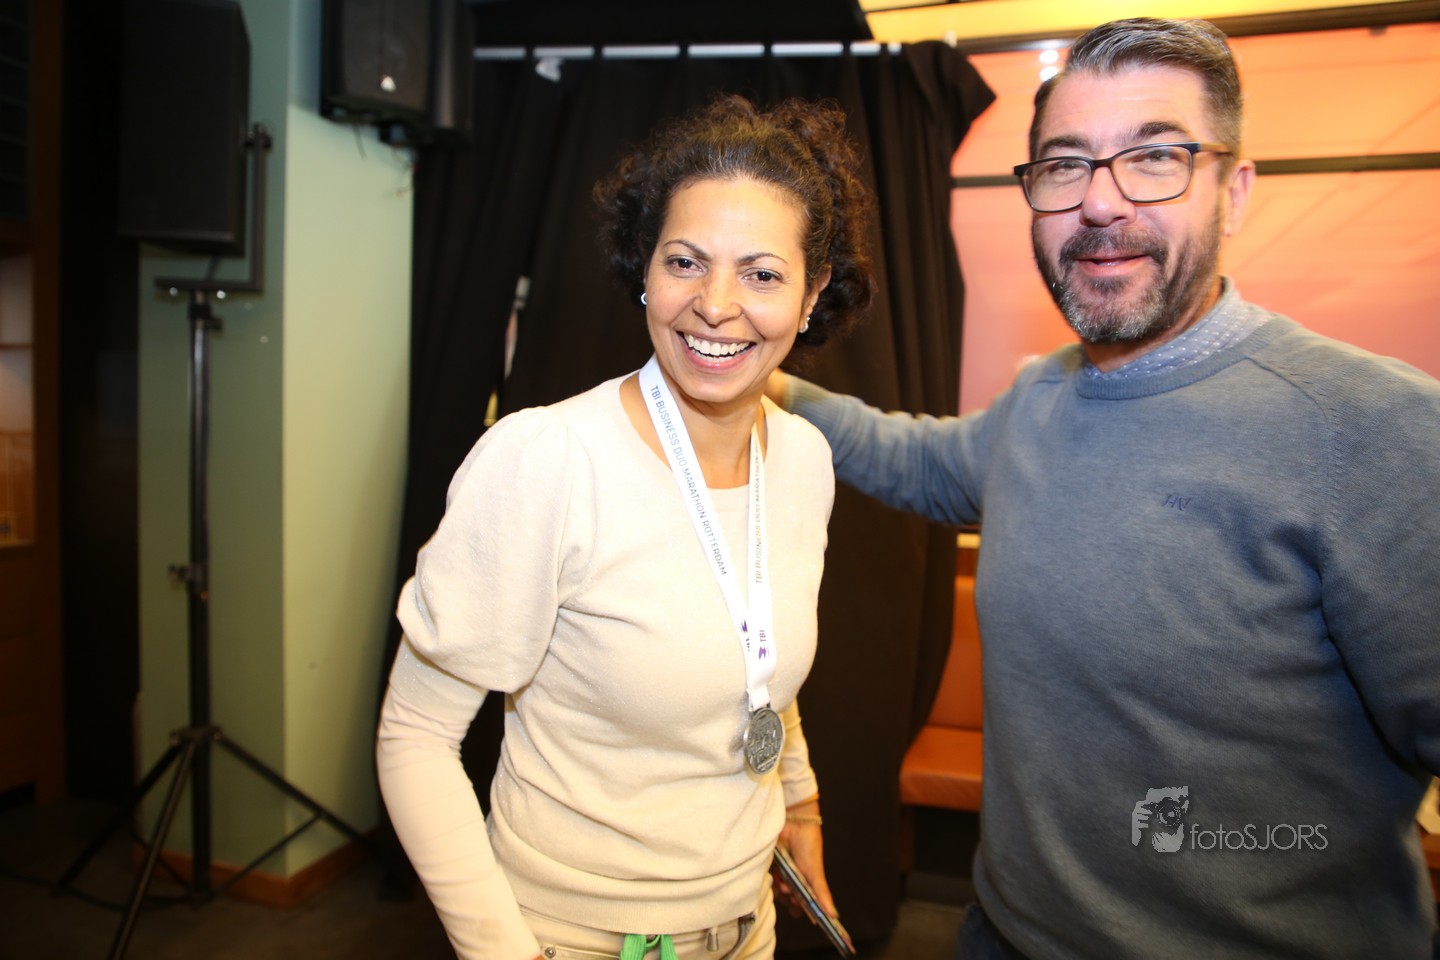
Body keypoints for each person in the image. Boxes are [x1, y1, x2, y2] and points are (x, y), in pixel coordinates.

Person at [771, 17, 1440, 959]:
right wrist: (766, 379)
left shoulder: (1374, 431)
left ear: (1235, 191)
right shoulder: (1041, 398)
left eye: (1156, 156)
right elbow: (916, 460)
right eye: (1065, 165)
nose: (1099, 202)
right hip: (1002, 934)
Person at [377, 94, 874, 960]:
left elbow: (757, 657)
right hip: (570, 937)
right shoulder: (548, 460)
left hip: (745, 926)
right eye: (686, 262)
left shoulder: (802, 460)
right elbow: (414, 738)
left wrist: (800, 804)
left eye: (761, 274)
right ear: (646, 269)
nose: (715, 305)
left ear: (811, 293)